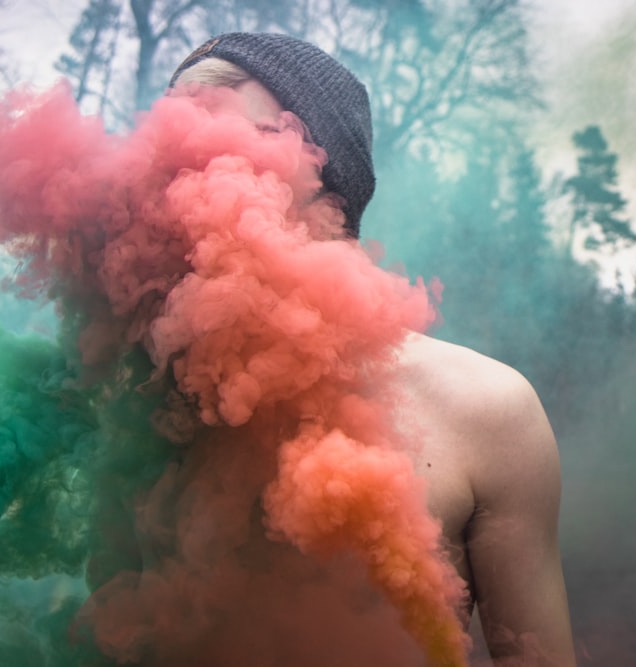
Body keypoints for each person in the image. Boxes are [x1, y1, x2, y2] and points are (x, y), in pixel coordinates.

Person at [168, 32, 576, 666]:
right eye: (169, 152)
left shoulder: (486, 410)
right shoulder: (150, 403)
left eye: (219, 140)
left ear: (314, 158)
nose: (182, 178)